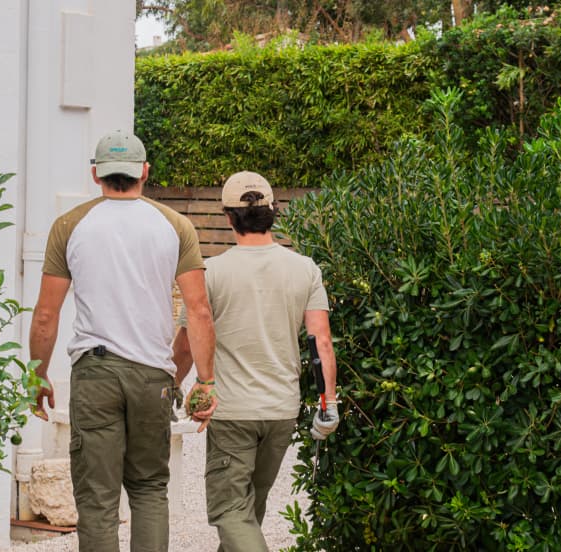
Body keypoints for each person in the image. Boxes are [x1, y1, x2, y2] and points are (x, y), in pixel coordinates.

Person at [28, 129, 217, 551]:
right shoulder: (176, 226)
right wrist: (205, 381)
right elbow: (199, 310)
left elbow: (45, 314)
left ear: (96, 175)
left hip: (95, 374)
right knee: (150, 488)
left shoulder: (69, 226)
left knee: (97, 499)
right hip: (153, 375)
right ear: (144, 172)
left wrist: (37, 374)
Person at [172, 171, 340, 552]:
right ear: (273, 212)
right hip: (281, 411)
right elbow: (322, 342)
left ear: (229, 217)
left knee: (231, 511)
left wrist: (170, 386)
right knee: (250, 510)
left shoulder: (211, 273)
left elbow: (185, 345)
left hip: (233, 411)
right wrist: (328, 404)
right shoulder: (305, 269)